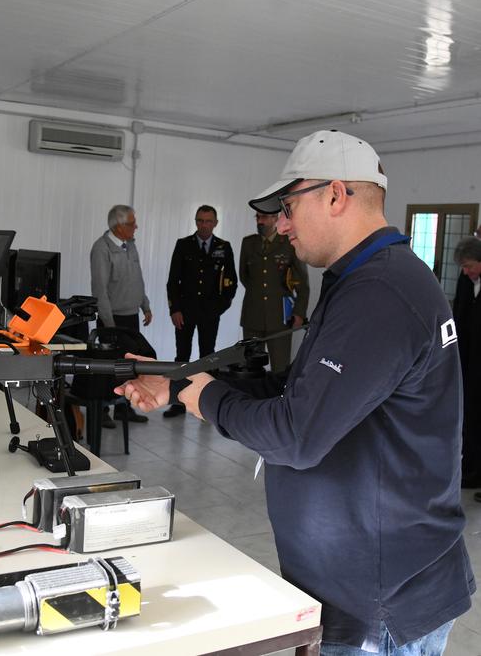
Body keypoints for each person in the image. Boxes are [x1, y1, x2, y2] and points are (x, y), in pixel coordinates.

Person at [115, 130, 474, 655]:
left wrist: (209, 399)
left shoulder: (379, 293)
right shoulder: (360, 279)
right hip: (361, 586)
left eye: (287, 206)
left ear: (335, 195)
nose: (280, 224)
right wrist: (181, 383)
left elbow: (296, 435)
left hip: (381, 603)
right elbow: (299, 390)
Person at [163, 205, 237, 417]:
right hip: (184, 312)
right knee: (182, 356)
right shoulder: (183, 245)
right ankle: (177, 401)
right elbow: (172, 282)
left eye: (208, 221)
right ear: (196, 222)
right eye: (200, 221)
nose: (204, 225)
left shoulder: (224, 247)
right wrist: (174, 309)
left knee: (208, 356)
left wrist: (219, 308)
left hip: (209, 313)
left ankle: (207, 404)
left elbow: (231, 283)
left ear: (215, 223)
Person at [90, 205, 151, 425]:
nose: (136, 226)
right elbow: (100, 290)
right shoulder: (102, 248)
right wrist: (109, 324)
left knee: (130, 365)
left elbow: (138, 277)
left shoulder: (130, 245)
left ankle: (124, 408)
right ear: (118, 226)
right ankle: (104, 411)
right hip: (113, 318)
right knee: (110, 367)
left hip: (131, 315)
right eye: (132, 223)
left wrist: (145, 305)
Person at [239, 211, 309, 373]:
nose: (260, 221)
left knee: (280, 366)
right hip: (252, 316)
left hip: (280, 318)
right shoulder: (249, 243)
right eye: (257, 217)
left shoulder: (288, 243)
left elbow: (302, 285)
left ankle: (278, 398)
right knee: (250, 366)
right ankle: (252, 398)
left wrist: (299, 312)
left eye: (263, 217)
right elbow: (245, 276)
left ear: (274, 219)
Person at [453, 237, 481, 492]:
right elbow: (458, 315)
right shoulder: (464, 282)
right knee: (468, 417)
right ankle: (469, 469)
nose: (466, 271)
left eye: (470, 265)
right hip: (466, 359)